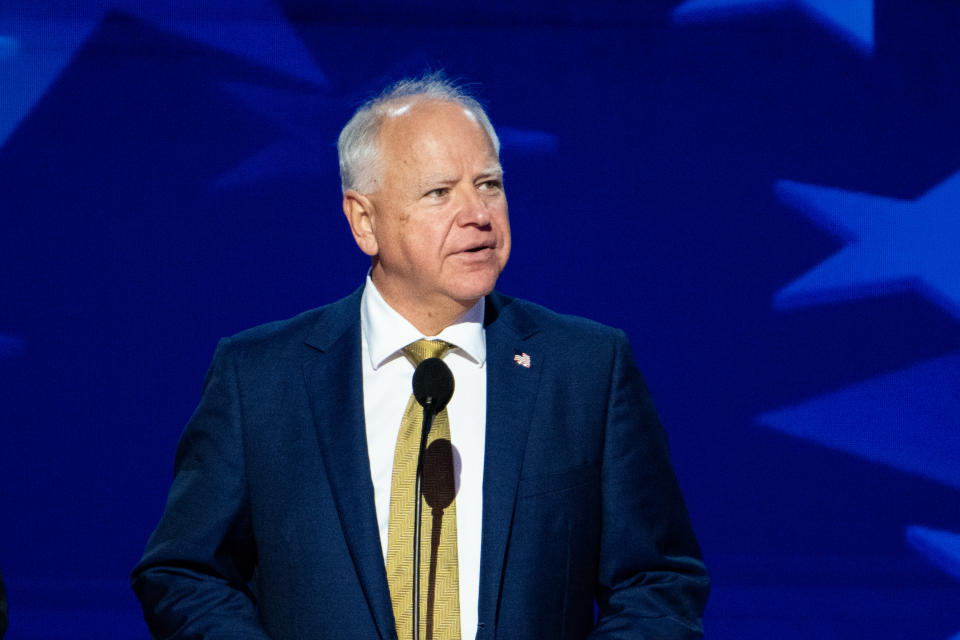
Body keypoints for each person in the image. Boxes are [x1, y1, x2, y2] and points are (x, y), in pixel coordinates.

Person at [132, 74, 709, 639]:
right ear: (364, 221)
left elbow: (657, 581)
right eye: (439, 192)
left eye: (489, 184)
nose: (478, 214)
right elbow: (185, 572)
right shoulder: (259, 379)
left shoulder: (587, 370)